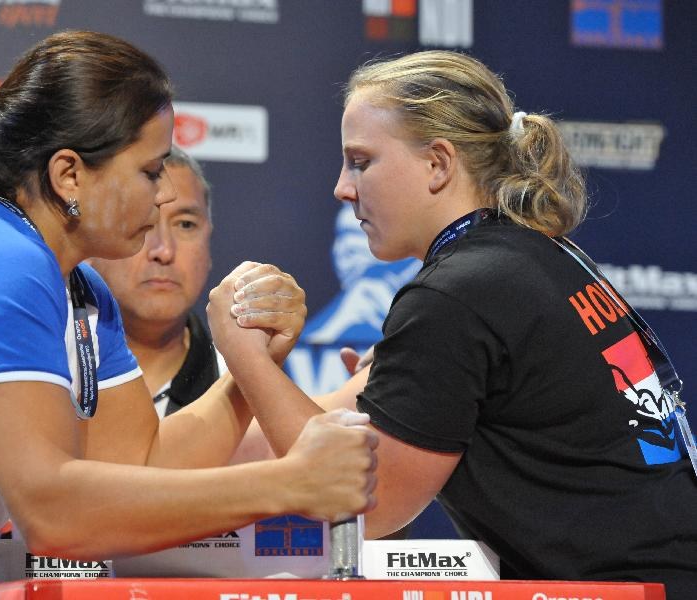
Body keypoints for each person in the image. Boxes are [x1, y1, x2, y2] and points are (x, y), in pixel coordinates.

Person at [0, 31, 378, 599]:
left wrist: (249, 373)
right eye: (150, 172)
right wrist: (287, 482)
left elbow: (144, 465)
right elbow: (55, 514)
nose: (159, 198)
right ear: (69, 174)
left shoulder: (76, 283)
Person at [206, 50, 697, 597]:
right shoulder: (531, 257)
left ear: (438, 164)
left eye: (361, 161)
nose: (342, 188)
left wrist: (247, 359)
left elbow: (368, 501)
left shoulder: (458, 293)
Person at [88, 146, 222, 417]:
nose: (164, 251)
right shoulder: (47, 369)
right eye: (141, 221)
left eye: (185, 225)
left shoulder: (241, 393)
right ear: (91, 243)